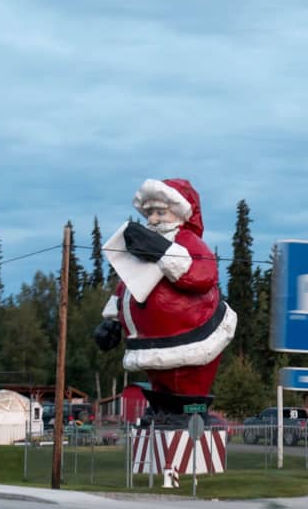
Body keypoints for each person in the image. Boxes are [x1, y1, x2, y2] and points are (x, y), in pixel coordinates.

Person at [94, 178, 236, 421]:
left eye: (161, 212)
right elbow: (127, 286)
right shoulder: (141, 252)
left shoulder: (189, 244)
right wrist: (113, 322)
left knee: (185, 380)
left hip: (191, 338)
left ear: (180, 213)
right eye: (149, 214)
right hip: (149, 344)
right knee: (159, 381)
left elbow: (203, 276)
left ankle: (190, 413)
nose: (153, 220)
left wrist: (162, 252)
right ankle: (162, 408)